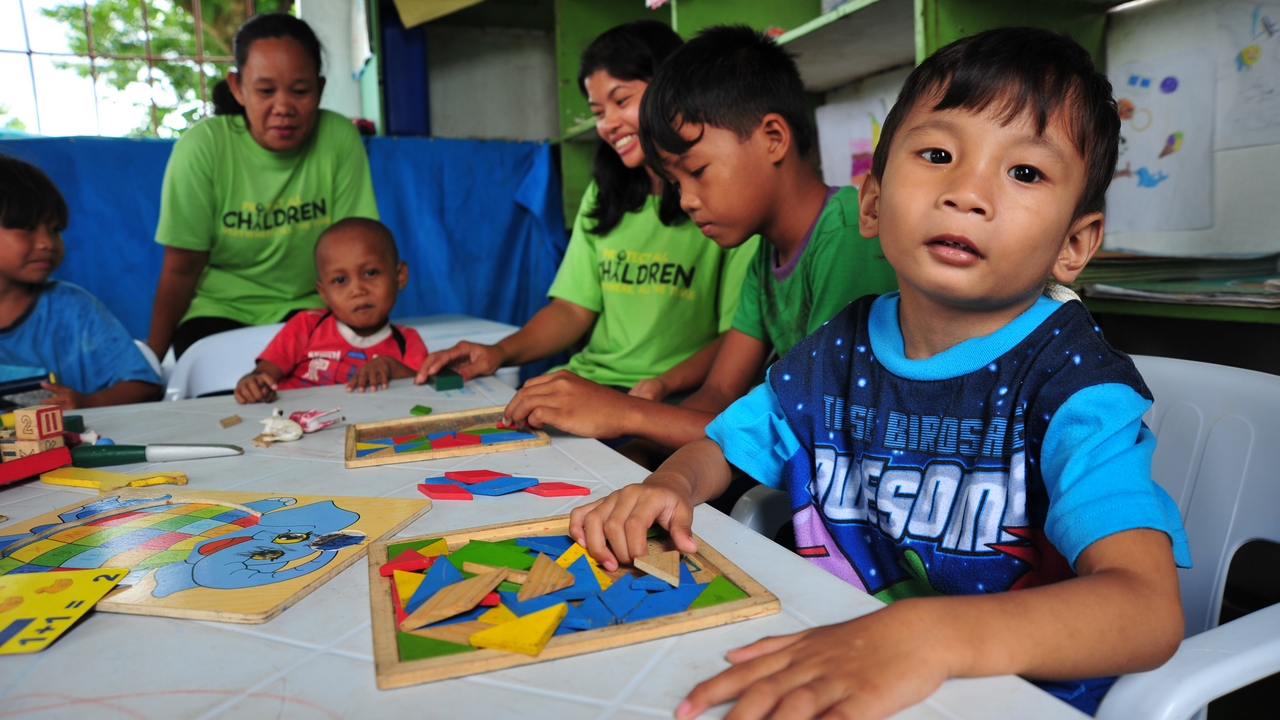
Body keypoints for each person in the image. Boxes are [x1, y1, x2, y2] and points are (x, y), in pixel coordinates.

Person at [569, 27, 1190, 719]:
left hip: (1011, 695)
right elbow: (726, 442)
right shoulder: (838, 350)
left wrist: (925, 635)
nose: (967, 192)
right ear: (871, 202)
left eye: (1024, 172)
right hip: (835, 661)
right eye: (937, 154)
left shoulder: (1073, 383)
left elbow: (1146, 609)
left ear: (1074, 245)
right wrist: (668, 485)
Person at [500, 26, 897, 468]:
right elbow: (718, 394)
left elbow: (812, 430)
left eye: (698, 171)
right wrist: (633, 459)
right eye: (675, 182)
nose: (686, 199)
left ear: (773, 138)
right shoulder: (765, 255)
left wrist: (624, 413)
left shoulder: (846, 237)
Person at [415, 21, 757, 410]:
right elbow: (572, 309)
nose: (608, 123)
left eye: (621, 100)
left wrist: (661, 384)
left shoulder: (723, 202)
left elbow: (738, 337)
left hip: (673, 398)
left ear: (670, 88)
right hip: (592, 385)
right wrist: (498, 353)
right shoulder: (604, 193)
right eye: (598, 111)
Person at [148, 13, 379, 360]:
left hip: (312, 311)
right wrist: (151, 363)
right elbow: (181, 268)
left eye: (300, 91)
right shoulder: (203, 148)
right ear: (238, 87)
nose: (283, 107)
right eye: (265, 90)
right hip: (218, 314)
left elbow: (358, 251)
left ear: (320, 88)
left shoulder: (338, 139)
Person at [0, 155, 161, 409]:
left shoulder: (73, 309)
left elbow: (143, 384)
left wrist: (88, 402)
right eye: (28, 227)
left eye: (54, 229)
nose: (47, 243)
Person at [235, 218, 426, 403]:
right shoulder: (307, 325)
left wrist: (391, 367)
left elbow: (425, 391)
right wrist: (253, 383)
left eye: (370, 273)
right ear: (324, 292)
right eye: (340, 280)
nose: (357, 290)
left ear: (400, 276)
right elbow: (264, 375)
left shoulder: (408, 341)